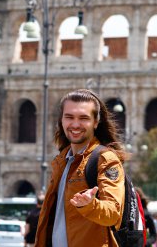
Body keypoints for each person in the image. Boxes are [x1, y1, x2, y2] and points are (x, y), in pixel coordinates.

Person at [35, 89, 127, 246]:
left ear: (96, 122)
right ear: (61, 120)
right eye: (69, 117)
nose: (75, 124)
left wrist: (90, 205)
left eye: (84, 118)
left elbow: (113, 213)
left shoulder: (105, 159)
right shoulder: (62, 161)